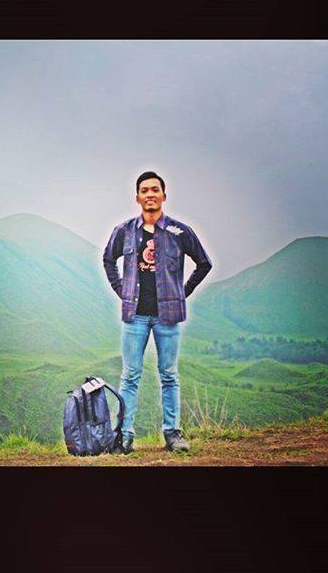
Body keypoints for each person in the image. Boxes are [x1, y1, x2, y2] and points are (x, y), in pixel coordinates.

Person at [102, 171, 213, 454]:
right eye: (144, 190)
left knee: (169, 375)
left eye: (155, 189)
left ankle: (173, 434)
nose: (150, 194)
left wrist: (180, 293)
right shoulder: (124, 231)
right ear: (137, 197)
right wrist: (121, 290)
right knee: (130, 376)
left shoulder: (180, 231)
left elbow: (204, 263)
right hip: (135, 316)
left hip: (168, 316)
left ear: (163, 195)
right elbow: (108, 259)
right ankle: (124, 436)